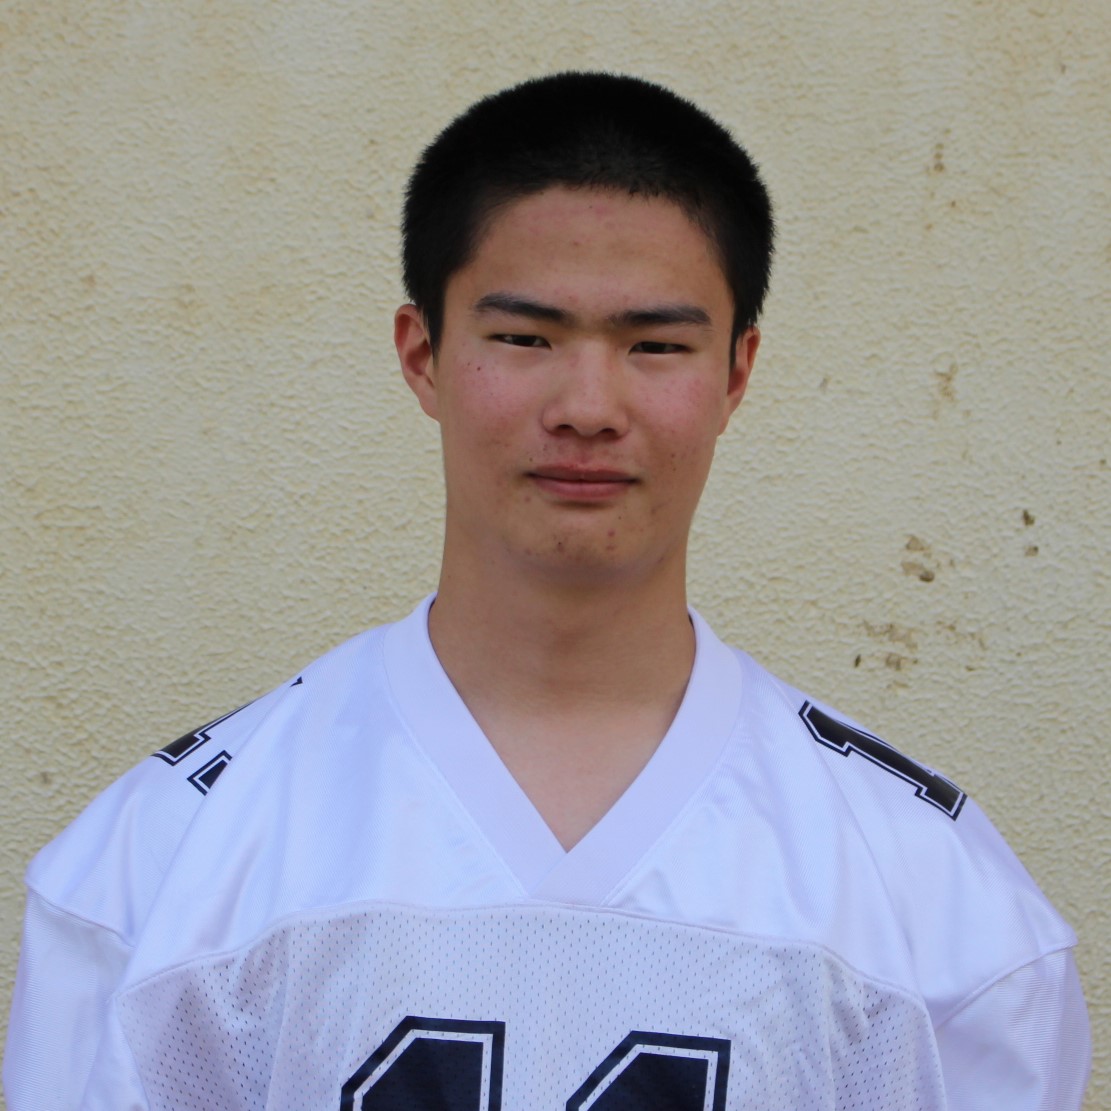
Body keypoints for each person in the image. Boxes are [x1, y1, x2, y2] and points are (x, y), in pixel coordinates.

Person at [4, 72, 1090, 1110]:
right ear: (422, 354)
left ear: (736, 372)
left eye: (655, 344)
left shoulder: (934, 900)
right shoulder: (164, 861)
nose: (587, 406)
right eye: (524, 337)